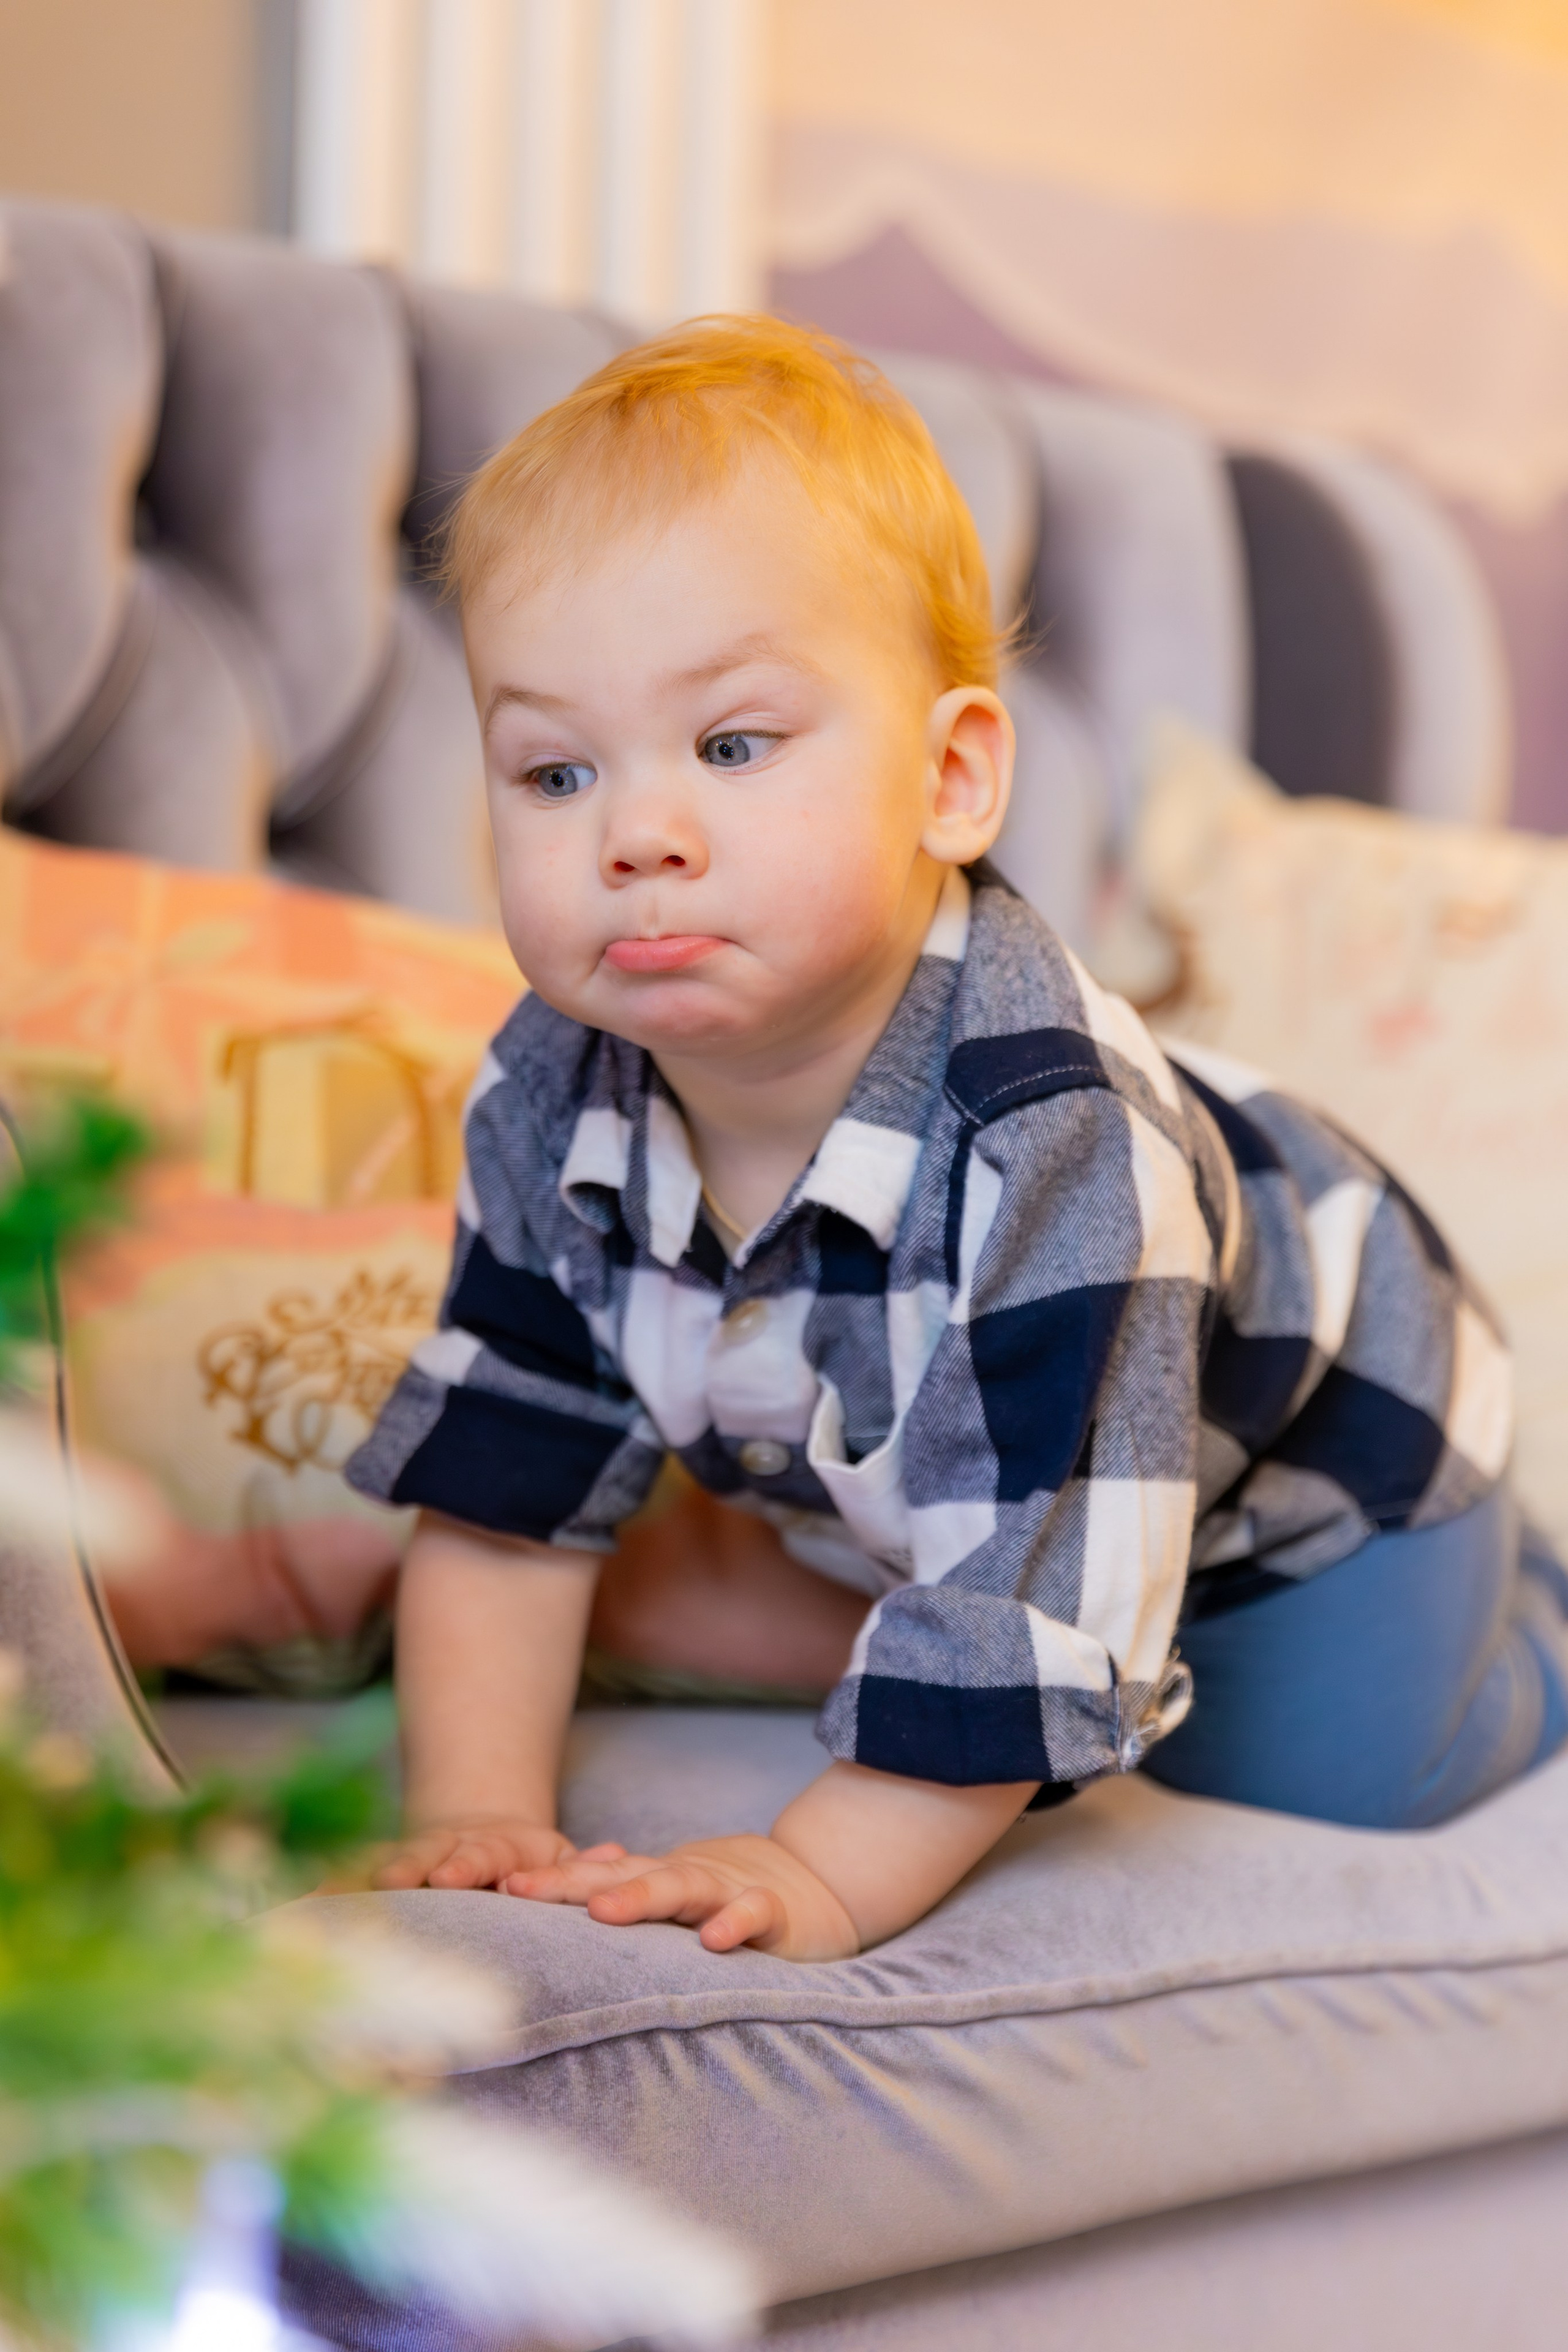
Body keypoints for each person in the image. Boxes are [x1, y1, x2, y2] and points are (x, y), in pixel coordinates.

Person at [345, 317, 1568, 1961]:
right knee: (1002, 1634)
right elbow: (508, 1487)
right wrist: (472, 1810)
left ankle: (1528, 1611)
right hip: (1037, 1476)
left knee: (1301, 1767)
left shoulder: (1054, 1148)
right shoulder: (547, 1092)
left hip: (1332, 1458)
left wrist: (818, 1872)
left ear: (953, 779)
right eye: (554, 772)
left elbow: (1028, 1607)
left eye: (732, 746)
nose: (636, 833)